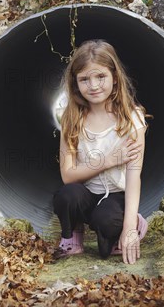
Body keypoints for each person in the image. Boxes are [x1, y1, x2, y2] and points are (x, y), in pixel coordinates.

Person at [53, 39, 148, 265]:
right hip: (86, 194)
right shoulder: (71, 118)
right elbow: (67, 175)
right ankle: (73, 235)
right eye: (84, 79)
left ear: (114, 78)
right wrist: (109, 160)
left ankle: (133, 222)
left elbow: (134, 179)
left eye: (100, 77)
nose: (93, 86)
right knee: (67, 196)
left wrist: (128, 231)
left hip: (116, 195)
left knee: (107, 243)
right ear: (75, 84)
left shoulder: (131, 120)